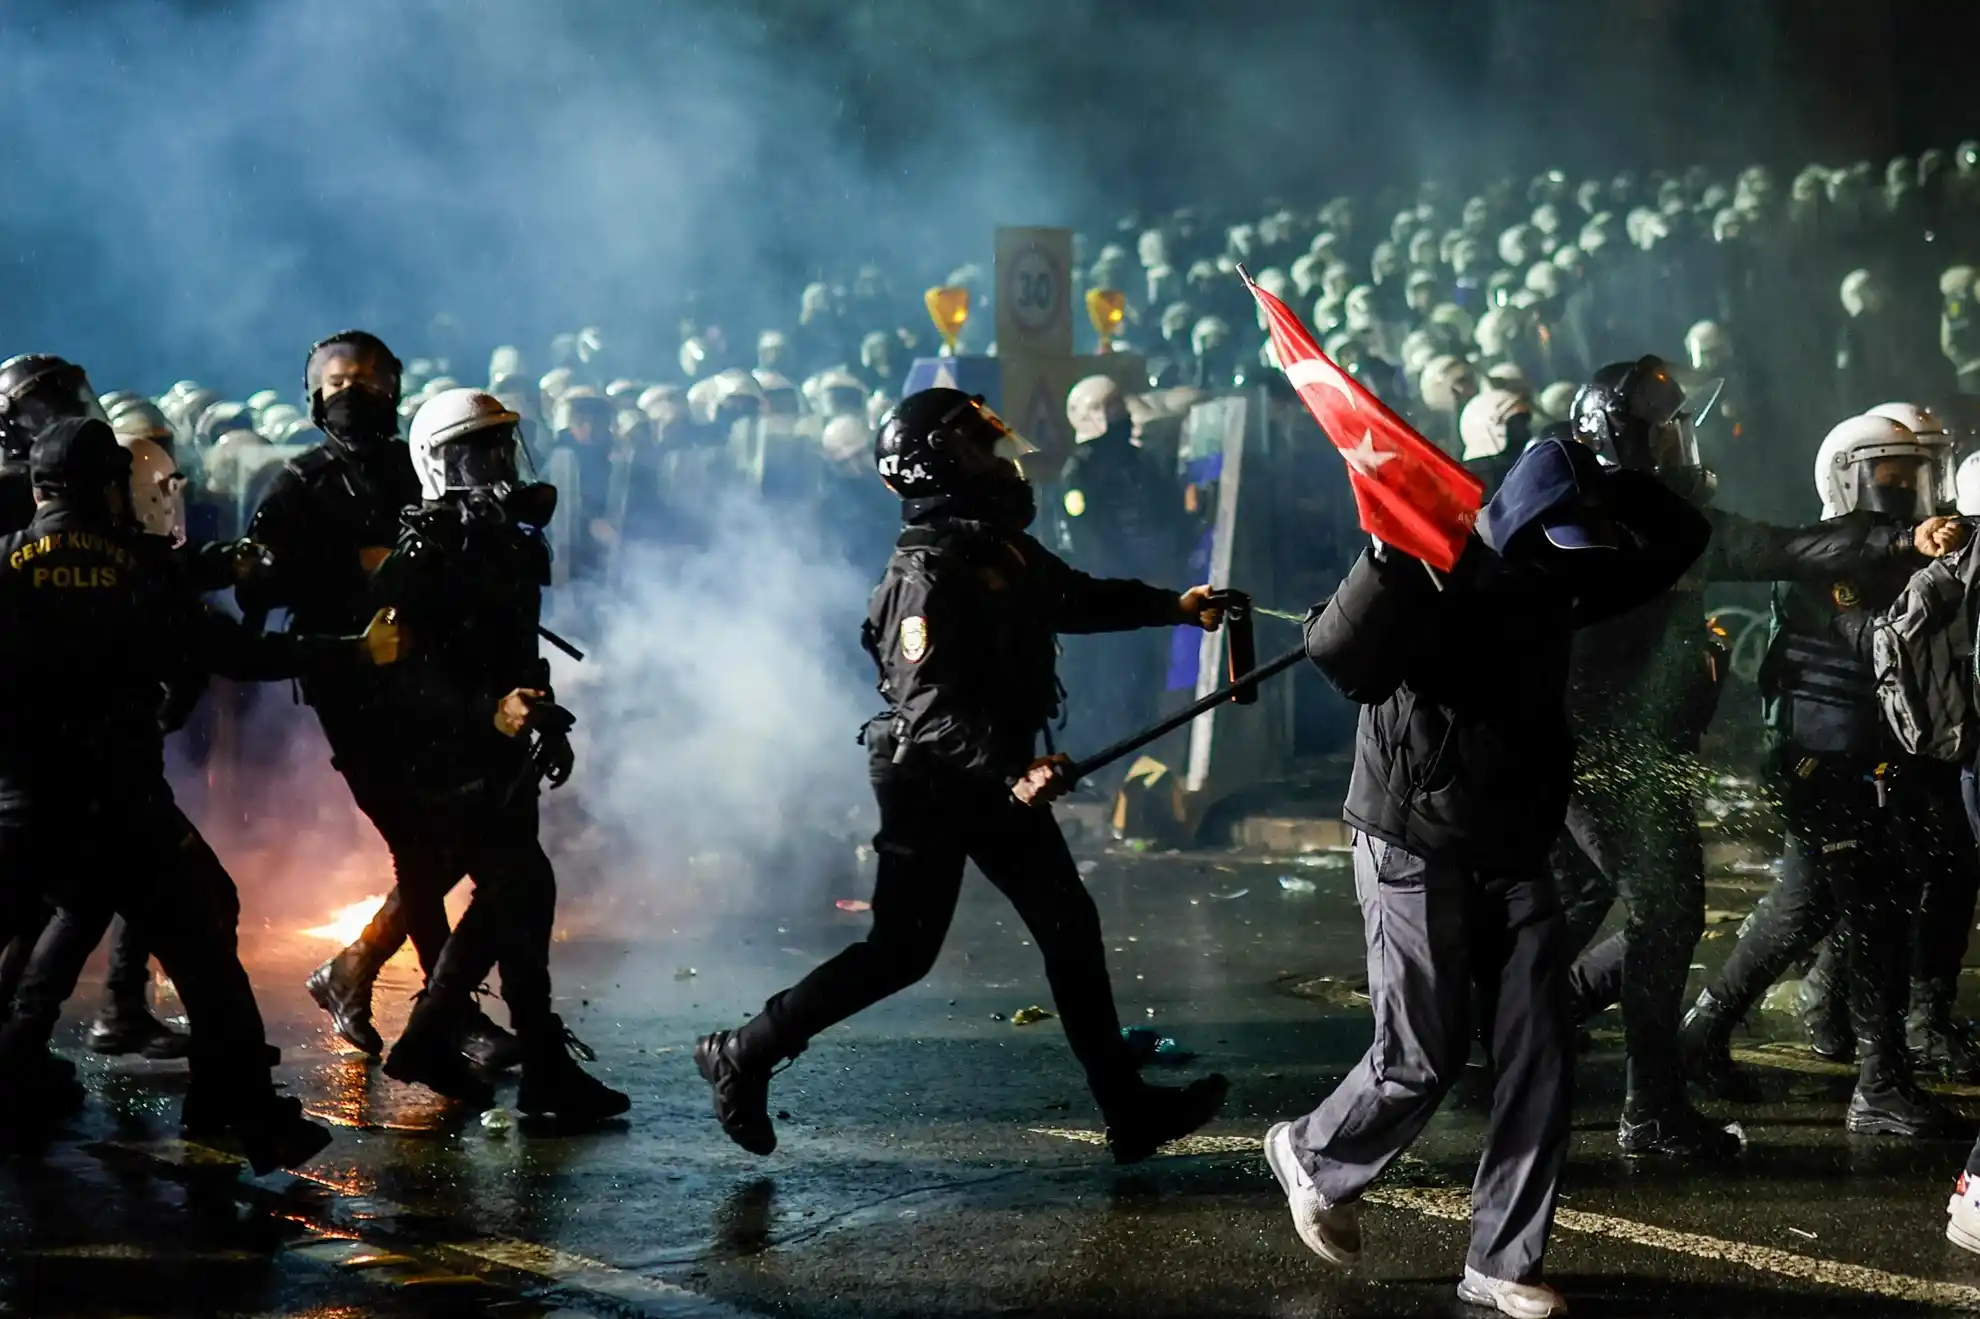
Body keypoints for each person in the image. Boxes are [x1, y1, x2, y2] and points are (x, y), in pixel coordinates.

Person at [694, 388, 1232, 1163]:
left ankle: (1128, 1110)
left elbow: (1073, 596)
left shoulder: (993, 547)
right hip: (933, 781)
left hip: (991, 775)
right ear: (936, 466)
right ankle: (743, 1052)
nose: (998, 463)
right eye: (979, 449)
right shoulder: (926, 570)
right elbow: (929, 708)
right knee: (900, 952)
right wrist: (1012, 771)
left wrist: (1176, 608)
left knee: (1068, 925)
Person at [1265, 435, 1709, 1317]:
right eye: (1555, 539)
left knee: (1540, 1050)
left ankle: (1503, 1259)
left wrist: (1595, 475)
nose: (1568, 568)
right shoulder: (1430, 571)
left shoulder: (1566, 575)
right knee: (1421, 1055)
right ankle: (1313, 1152)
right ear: (1519, 529)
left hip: (1514, 846)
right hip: (1411, 840)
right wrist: (1392, 549)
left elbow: (1682, 535)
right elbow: (1334, 653)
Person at [1554, 357, 1954, 1157]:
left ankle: (1526, 1023)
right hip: (1602, 756)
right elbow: (1784, 553)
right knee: (1663, 915)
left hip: (1636, 752)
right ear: (1628, 437)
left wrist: (1903, 537)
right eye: (1668, 428)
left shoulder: (1660, 514)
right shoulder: (1594, 520)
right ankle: (1641, 1101)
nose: (1683, 441)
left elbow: (1786, 544)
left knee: (1582, 909)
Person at [0, 417, 398, 1171]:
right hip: (122, 807)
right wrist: (353, 651)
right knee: (208, 943)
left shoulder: (6, 563)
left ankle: (19, 1075)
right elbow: (238, 653)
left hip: (22, 806)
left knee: (51, 932)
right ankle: (244, 1109)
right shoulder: (138, 567)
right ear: (109, 489)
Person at [1678, 415, 1967, 1134]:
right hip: (1825, 761)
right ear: (1848, 474)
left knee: (1805, 907)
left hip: (1876, 760)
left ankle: (1701, 1034)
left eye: (1918, 471)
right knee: (1870, 912)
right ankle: (1879, 1082)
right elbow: (1871, 638)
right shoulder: (1826, 557)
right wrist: (1940, 581)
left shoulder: (1910, 550)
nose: (1906, 487)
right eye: (1890, 472)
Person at [242, 332, 519, 1072]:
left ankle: (354, 969)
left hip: (430, 686)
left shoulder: (416, 467)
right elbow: (254, 590)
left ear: (395, 390)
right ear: (311, 394)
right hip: (350, 689)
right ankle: (447, 1013)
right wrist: (341, 573)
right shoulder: (296, 484)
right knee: (421, 844)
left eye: (366, 379)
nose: (351, 391)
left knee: (450, 842)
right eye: (335, 380)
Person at [371, 389, 627, 1123]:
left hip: (504, 748)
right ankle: (434, 1034)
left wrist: (542, 712)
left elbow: (517, 648)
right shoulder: (421, 555)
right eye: (472, 453)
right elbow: (394, 673)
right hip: (444, 755)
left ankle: (533, 1063)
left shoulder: (510, 542)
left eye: (498, 448)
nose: (491, 466)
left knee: (525, 889)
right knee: (520, 882)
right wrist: (483, 710)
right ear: (436, 463)